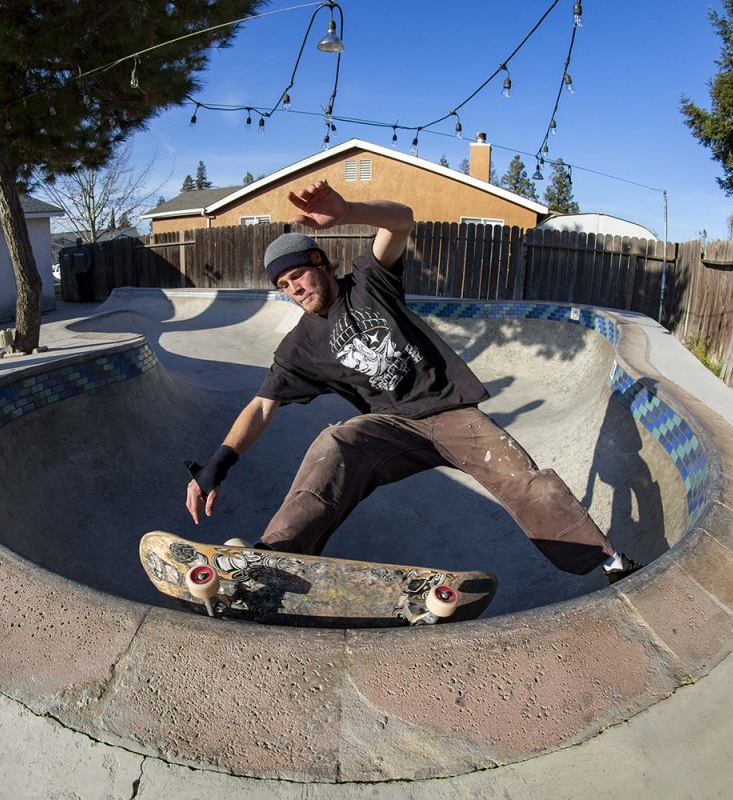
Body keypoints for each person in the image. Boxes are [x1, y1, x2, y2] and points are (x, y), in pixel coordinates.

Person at [184, 180, 641, 583]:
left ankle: (610, 561)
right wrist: (217, 465)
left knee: (519, 477)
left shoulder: (369, 281)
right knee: (334, 443)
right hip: (392, 428)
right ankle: (276, 559)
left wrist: (348, 212)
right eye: (283, 285)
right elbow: (262, 406)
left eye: (297, 274)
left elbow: (402, 221)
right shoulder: (298, 347)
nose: (294, 289)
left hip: (451, 412)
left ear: (319, 262)